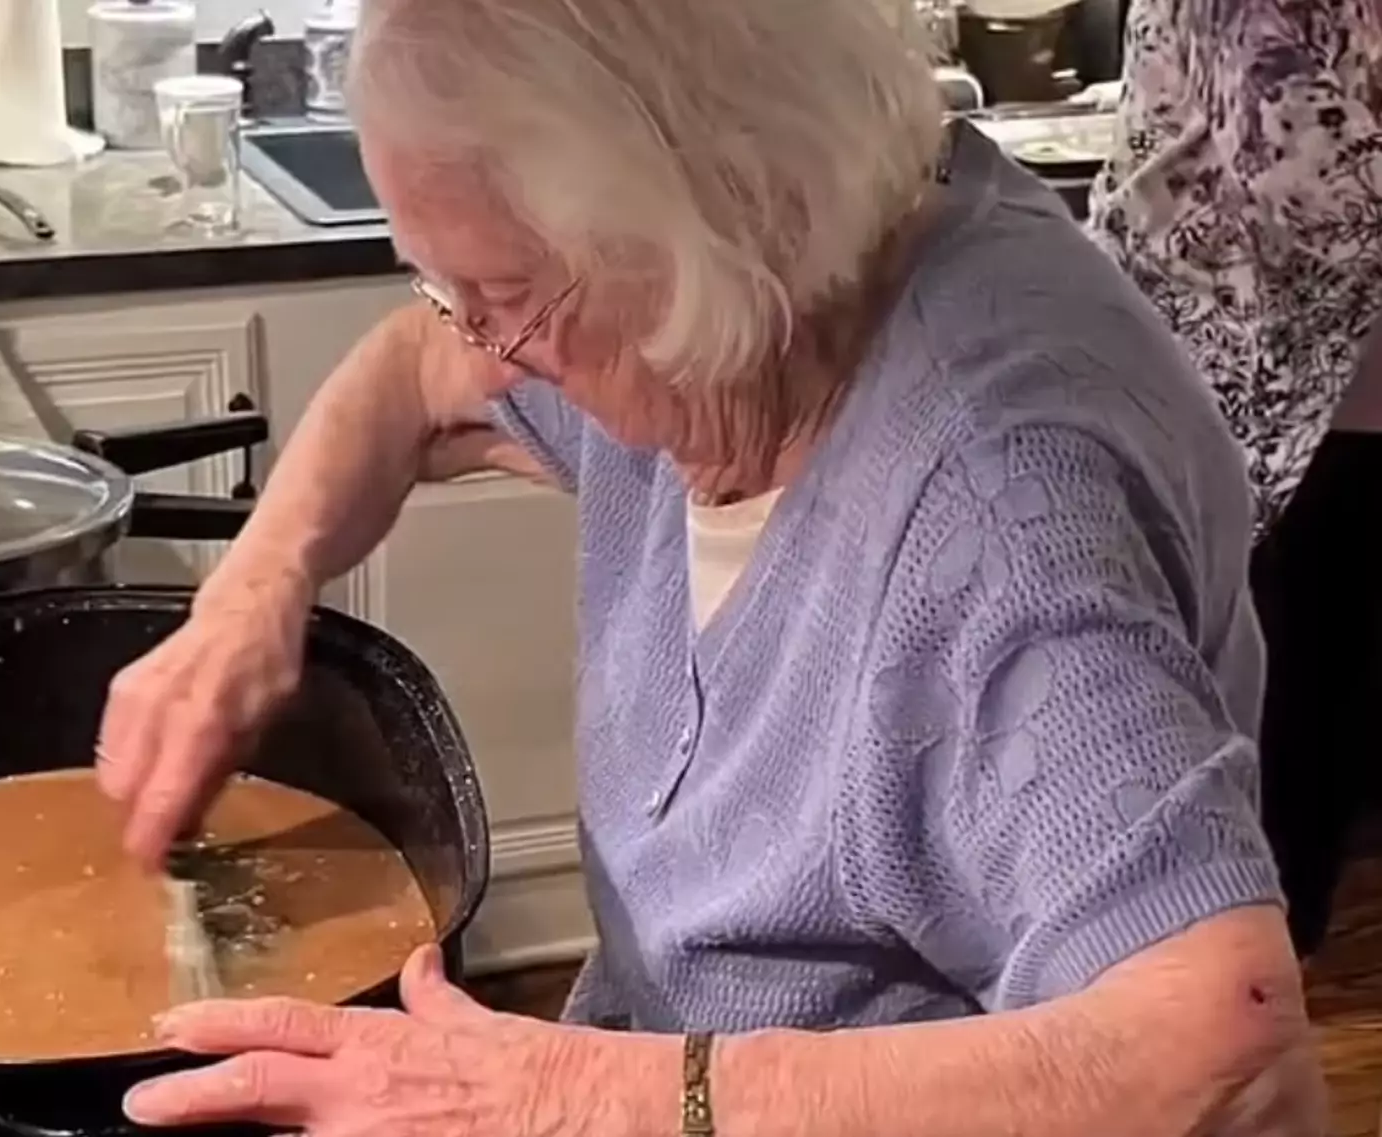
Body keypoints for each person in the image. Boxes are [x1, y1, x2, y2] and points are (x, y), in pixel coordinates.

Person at [98, 0, 1324, 1133]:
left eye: (504, 295)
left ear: (706, 224)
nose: (486, 345)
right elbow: (414, 375)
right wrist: (254, 590)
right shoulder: (732, 309)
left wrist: (574, 1097)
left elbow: (1222, 1043)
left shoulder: (999, 513)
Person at [1088, 0, 1382, 958]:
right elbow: (1303, 173)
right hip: (1233, 388)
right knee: (1242, 763)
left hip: (1314, 403)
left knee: (1288, 748)